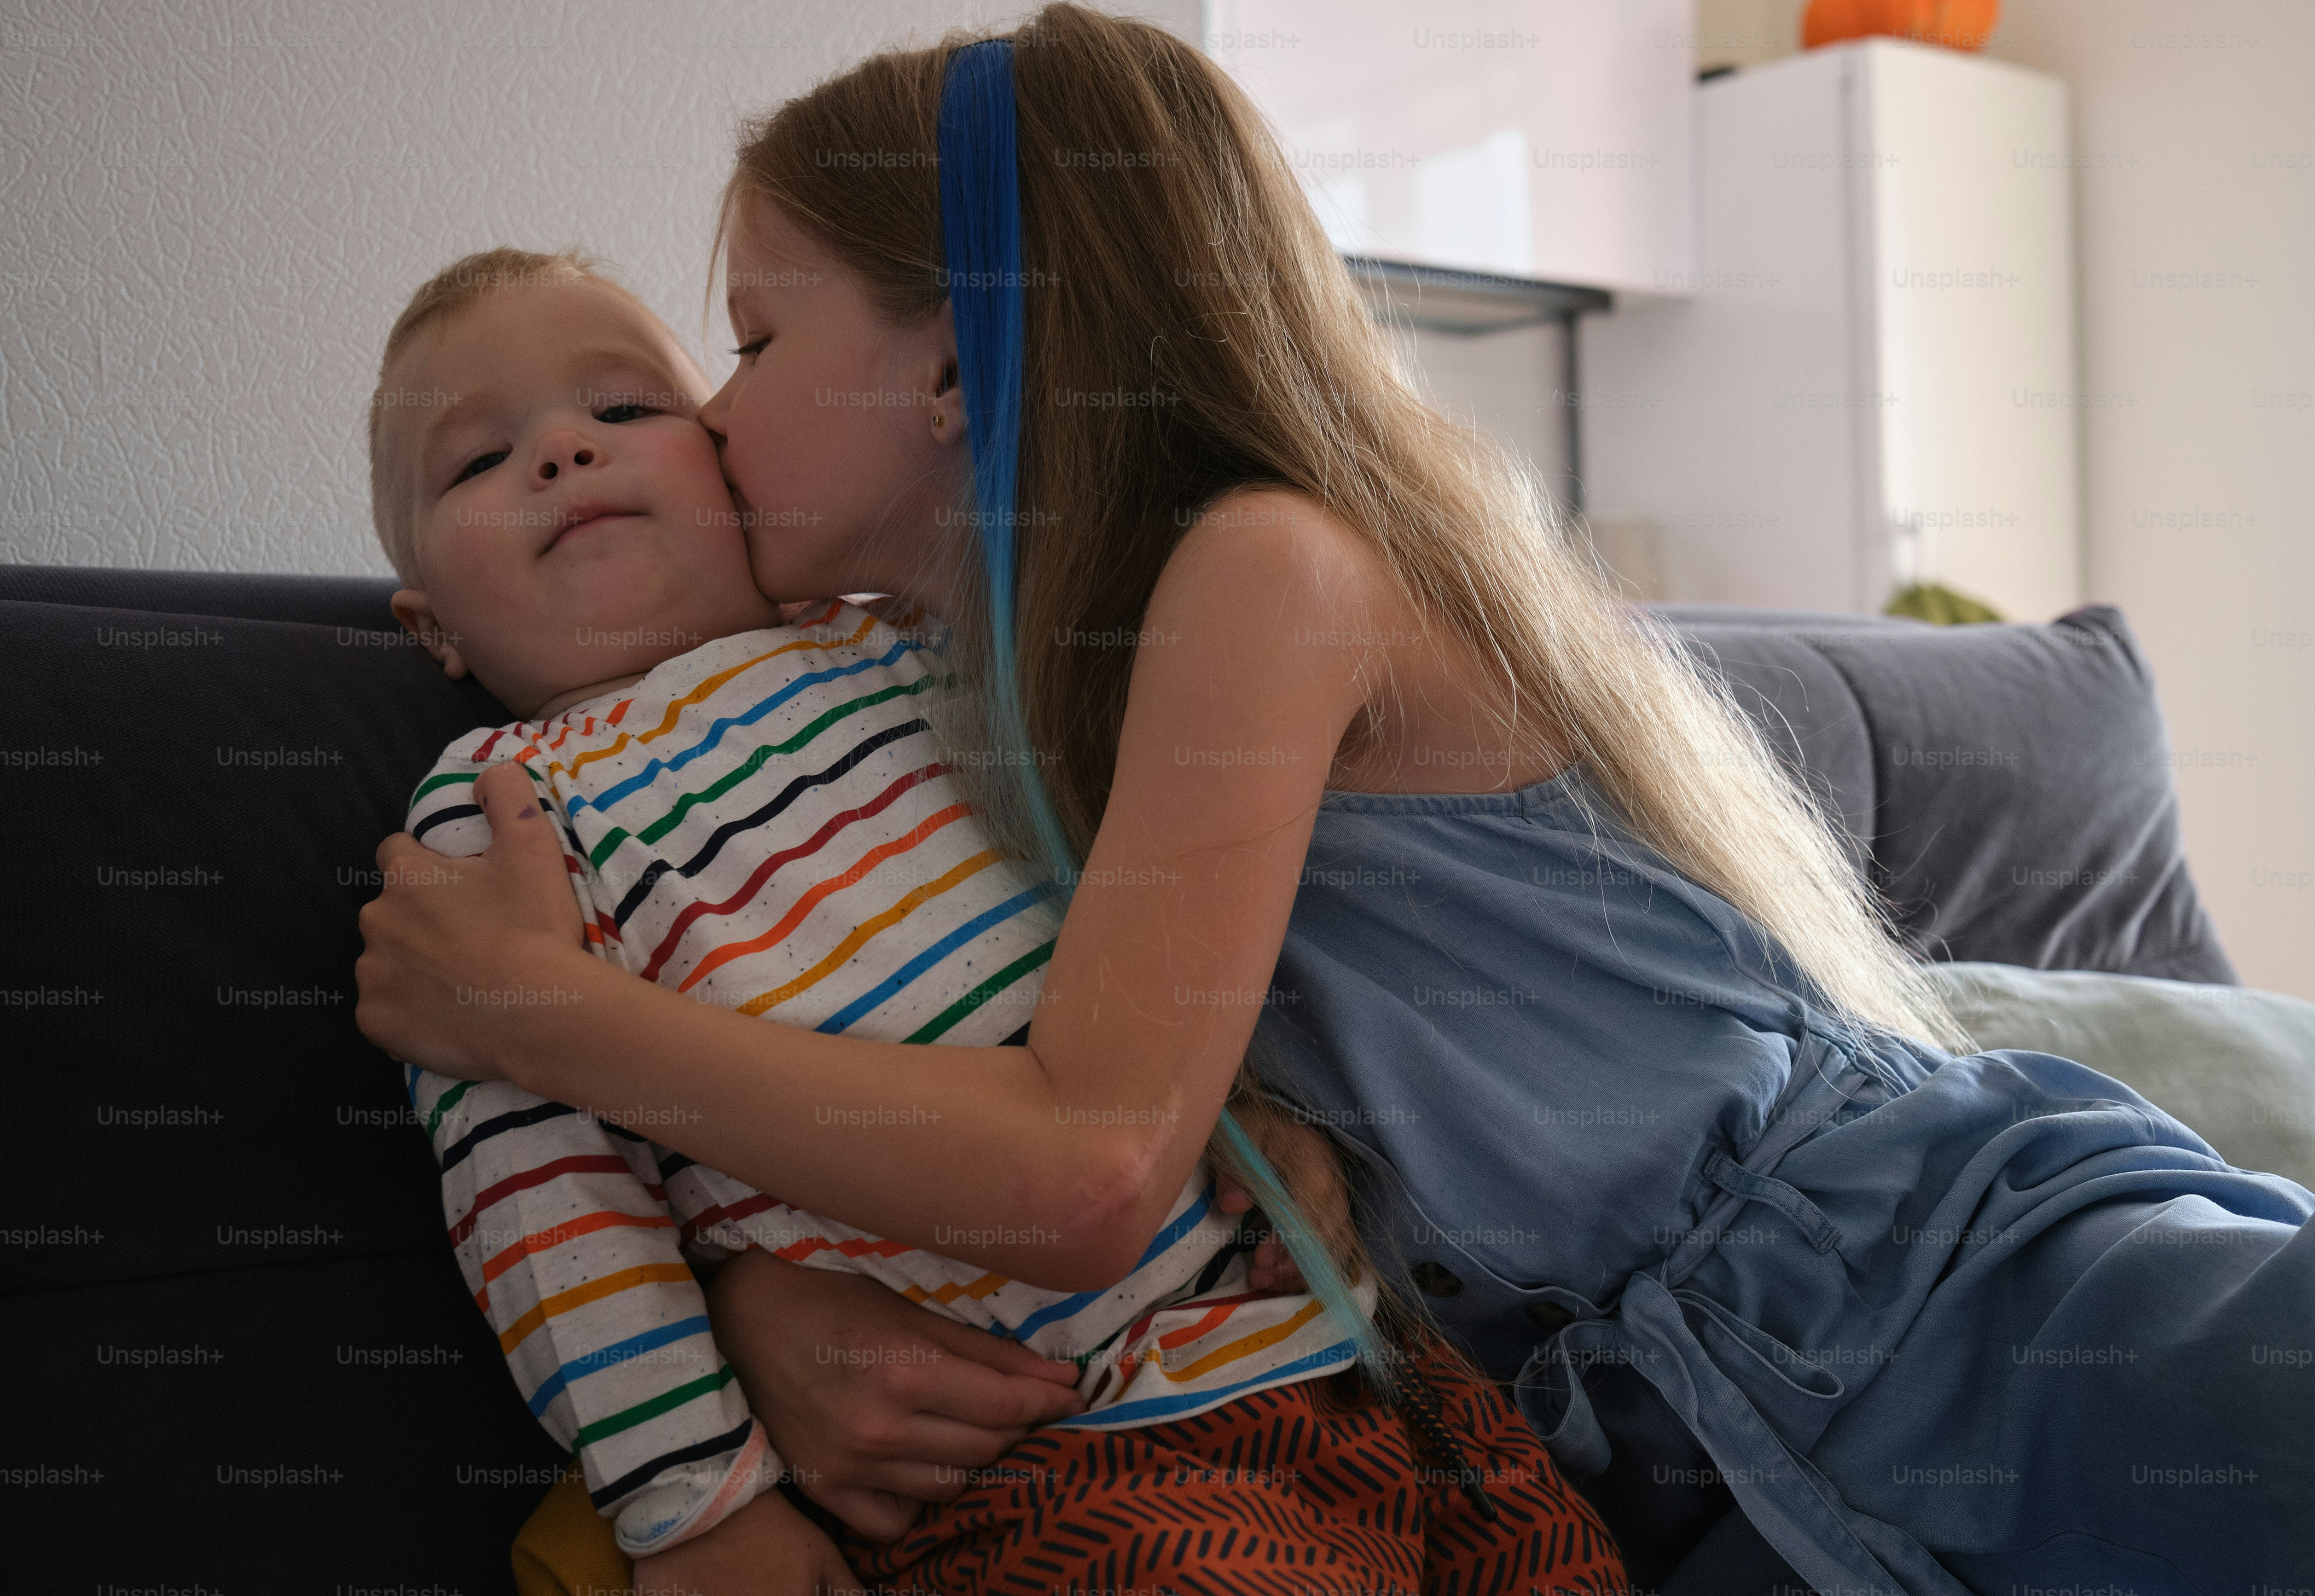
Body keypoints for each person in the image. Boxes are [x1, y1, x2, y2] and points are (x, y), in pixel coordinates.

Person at [357, 8, 2315, 1593]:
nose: (701, 416)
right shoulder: (936, 721)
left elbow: (1086, 1160)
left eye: (758, 338)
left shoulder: (1260, 574)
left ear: (953, 365)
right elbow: (943, 1052)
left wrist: (552, 1022)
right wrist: (744, 1292)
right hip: (1661, 1463)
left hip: (1961, 1313)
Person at [361, 244, 1625, 1595]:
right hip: (1050, 1455)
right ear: (430, 624)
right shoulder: (500, 810)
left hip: (1343, 1345)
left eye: (621, 412)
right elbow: (541, 1201)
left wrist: (1259, 1098)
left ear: (728, 464)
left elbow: (1148, 892)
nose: (561, 453)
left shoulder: (929, 638)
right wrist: (698, 1505)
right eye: (480, 461)